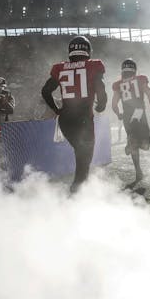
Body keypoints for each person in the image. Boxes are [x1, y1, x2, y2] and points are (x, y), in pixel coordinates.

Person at [41, 36, 107, 193]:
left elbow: (45, 91)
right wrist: (102, 105)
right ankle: (77, 191)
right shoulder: (93, 66)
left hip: (66, 120)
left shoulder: (61, 68)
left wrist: (57, 110)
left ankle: (79, 188)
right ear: (88, 50)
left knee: (82, 155)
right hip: (83, 120)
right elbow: (101, 90)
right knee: (85, 157)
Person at [111, 58, 150, 186]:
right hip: (139, 113)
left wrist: (118, 114)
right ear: (134, 69)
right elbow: (149, 94)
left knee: (134, 143)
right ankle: (132, 143)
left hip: (127, 116)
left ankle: (138, 169)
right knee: (145, 144)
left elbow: (114, 104)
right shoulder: (140, 79)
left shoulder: (118, 84)